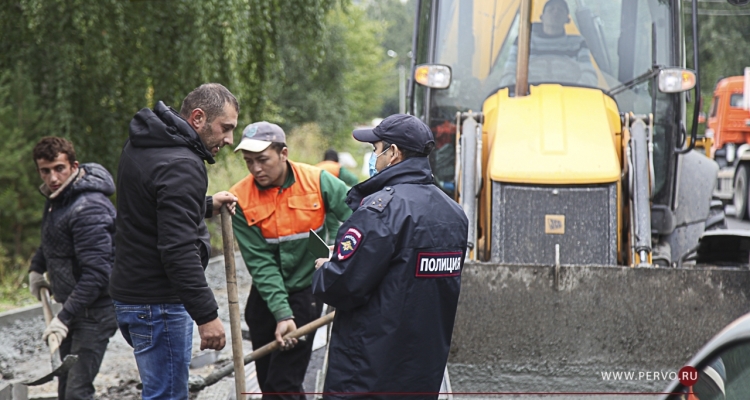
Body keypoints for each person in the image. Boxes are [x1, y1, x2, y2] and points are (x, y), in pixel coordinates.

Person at [312, 114, 469, 399]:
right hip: (422, 374)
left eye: (375, 150)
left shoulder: (379, 210)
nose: (374, 158)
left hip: (367, 374)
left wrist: (326, 268)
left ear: (393, 153)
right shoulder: (454, 214)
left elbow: (343, 286)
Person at [109, 83, 239, 399]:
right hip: (159, 304)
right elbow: (177, 250)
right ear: (197, 118)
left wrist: (205, 204)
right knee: (166, 395)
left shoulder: (143, 143)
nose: (229, 140)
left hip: (131, 296)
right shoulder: (181, 163)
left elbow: (151, 210)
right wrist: (207, 316)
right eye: (226, 128)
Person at [229, 122, 351, 399]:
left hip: (306, 289)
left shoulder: (318, 181)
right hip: (266, 293)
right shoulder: (241, 199)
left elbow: (360, 216)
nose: (256, 169)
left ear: (283, 153)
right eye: (249, 162)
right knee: (269, 382)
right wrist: (282, 314)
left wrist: (344, 257)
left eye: (263, 160)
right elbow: (261, 264)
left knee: (284, 383)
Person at [28, 136, 118, 400]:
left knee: (77, 391)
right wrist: (36, 268)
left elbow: (98, 274)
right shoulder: (58, 198)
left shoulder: (88, 207)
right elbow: (53, 240)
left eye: (59, 168)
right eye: (45, 171)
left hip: (97, 311)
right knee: (65, 385)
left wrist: (63, 318)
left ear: (74, 166)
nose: (53, 177)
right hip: (76, 306)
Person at [499, 0, 597, 87]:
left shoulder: (578, 43)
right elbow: (509, 72)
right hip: (530, 98)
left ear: (568, 20)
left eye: (560, 10)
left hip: (569, 98)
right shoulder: (523, 42)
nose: (556, 12)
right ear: (542, 17)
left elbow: (588, 73)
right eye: (551, 9)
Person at [316, 149, 359, 243]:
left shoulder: (318, 166)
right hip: (329, 198)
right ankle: (333, 247)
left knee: (322, 226)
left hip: (316, 199)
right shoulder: (337, 167)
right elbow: (354, 180)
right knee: (334, 226)